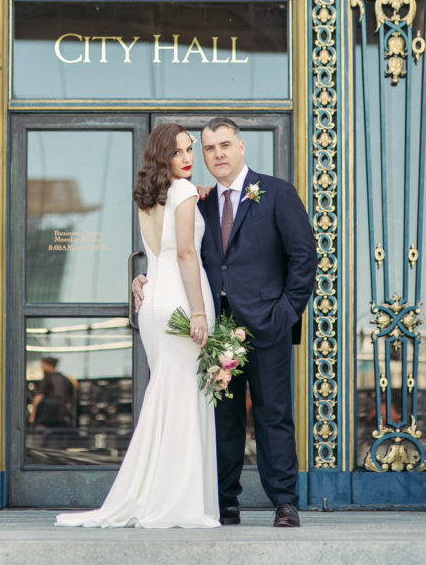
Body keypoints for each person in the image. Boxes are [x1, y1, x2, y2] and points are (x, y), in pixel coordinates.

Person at [134, 116, 317, 529]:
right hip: (217, 331)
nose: (216, 154)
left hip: (268, 326)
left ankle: (284, 502)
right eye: (208, 148)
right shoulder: (197, 200)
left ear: (241, 147)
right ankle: (225, 502)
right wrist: (145, 275)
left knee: (274, 415)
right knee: (223, 419)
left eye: (224, 145)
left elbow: (304, 258)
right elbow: (174, 249)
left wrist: (286, 313)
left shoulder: (277, 193)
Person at [55, 123, 218, 529]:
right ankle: (178, 500)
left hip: (153, 303)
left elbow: (155, 253)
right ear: (163, 156)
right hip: (181, 300)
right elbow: (183, 254)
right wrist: (199, 313)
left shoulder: (150, 196)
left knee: (168, 395)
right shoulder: (180, 192)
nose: (187, 158)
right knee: (183, 399)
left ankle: (156, 493)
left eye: (189, 150)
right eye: (179, 152)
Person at [30, 357, 75, 427]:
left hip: (46, 418)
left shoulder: (47, 378)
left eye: (43, 366)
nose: (42, 368)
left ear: (49, 366)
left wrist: (32, 416)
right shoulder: (65, 379)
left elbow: (38, 398)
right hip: (62, 418)